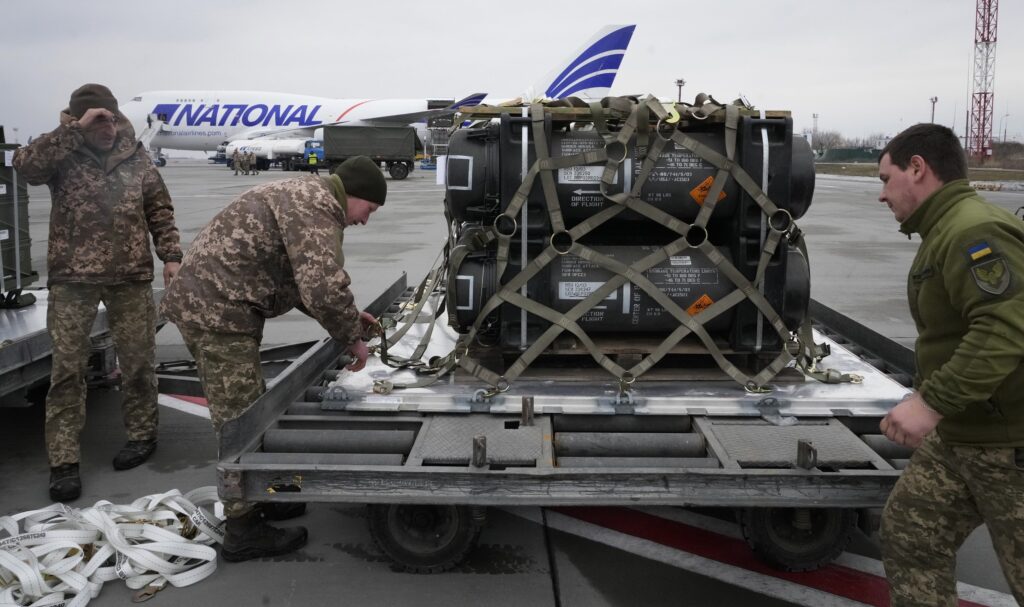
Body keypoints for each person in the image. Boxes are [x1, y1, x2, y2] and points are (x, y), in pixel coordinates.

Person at [159, 156, 385, 561]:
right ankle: (243, 529)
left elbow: (300, 283)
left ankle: (262, 497)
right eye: (369, 210)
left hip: (217, 305)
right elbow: (320, 283)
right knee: (239, 419)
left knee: (250, 406)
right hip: (217, 312)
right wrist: (352, 335)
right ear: (355, 195)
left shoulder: (306, 195)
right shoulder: (315, 205)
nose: (365, 221)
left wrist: (351, 318)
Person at [876, 123, 1024, 606]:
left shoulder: (971, 229)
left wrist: (931, 404)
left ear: (917, 169)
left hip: (1008, 445)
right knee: (911, 537)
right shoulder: (944, 230)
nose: (882, 195)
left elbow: (1004, 329)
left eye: (885, 178)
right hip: (964, 436)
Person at [13, 84, 182, 502]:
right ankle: (64, 461)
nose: (108, 126)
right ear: (79, 121)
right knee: (67, 371)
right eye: (98, 119)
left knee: (140, 362)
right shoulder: (60, 153)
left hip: (130, 276)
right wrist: (73, 132)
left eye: (111, 117)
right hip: (73, 279)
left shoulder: (135, 154)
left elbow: (158, 207)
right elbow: (25, 169)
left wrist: (172, 256)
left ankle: (143, 436)